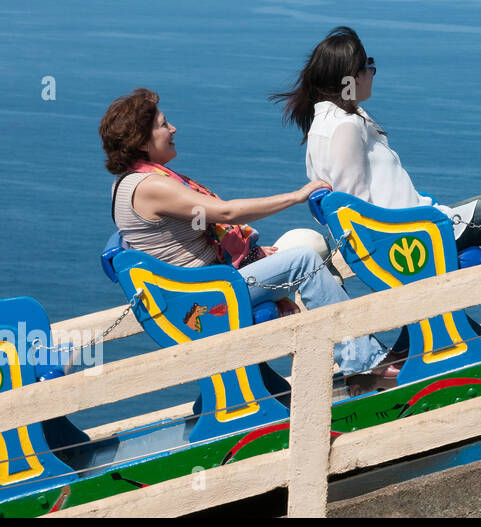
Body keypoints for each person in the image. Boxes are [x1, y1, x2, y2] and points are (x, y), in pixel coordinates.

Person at [272, 27, 481, 333]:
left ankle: (465, 337)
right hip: (417, 235)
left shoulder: (325, 122)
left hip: (418, 225)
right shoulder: (344, 127)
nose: (372, 72)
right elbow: (355, 206)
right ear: (350, 77)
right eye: (367, 65)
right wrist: (422, 216)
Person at [98, 88, 395, 390]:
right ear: (143, 140)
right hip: (206, 296)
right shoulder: (150, 187)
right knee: (304, 261)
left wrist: (253, 256)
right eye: (163, 124)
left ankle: (296, 382)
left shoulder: (127, 184)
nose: (173, 129)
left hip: (199, 289)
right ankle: (364, 362)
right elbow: (225, 214)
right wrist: (296, 196)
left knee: (301, 250)